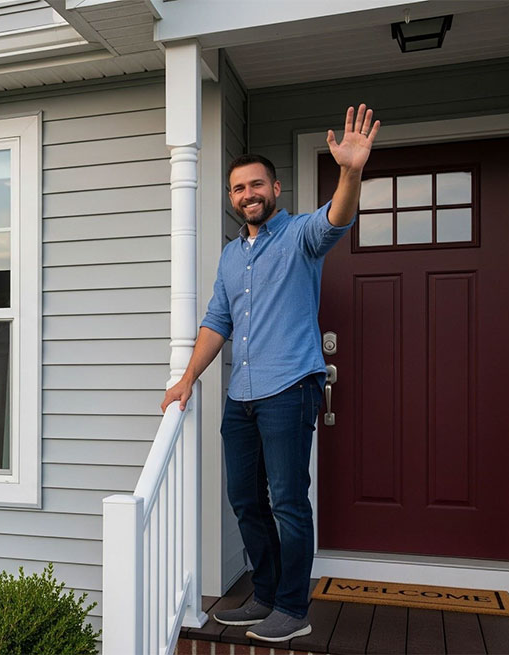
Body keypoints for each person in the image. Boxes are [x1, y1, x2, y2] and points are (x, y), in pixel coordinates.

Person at [161, 105, 380, 643]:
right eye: (237, 188)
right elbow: (217, 322)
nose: (246, 194)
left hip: (290, 388)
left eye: (256, 185)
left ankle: (292, 607)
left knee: (286, 501)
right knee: (244, 498)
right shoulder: (231, 257)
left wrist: (350, 171)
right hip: (242, 395)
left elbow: (338, 218)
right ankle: (262, 594)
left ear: (275, 189)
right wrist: (188, 377)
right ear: (232, 197)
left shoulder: (300, 236)